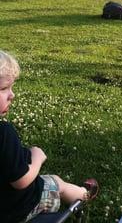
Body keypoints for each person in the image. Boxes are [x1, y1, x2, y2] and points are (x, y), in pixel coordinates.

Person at [0, 50, 99, 223]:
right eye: (3, 88)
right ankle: (85, 194)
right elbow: (21, 181)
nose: (12, 95)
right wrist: (37, 159)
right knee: (56, 183)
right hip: (15, 208)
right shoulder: (4, 133)